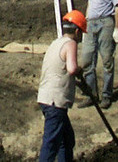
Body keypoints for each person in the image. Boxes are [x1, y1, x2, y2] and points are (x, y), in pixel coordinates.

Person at [37, 10, 86, 161]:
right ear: (77, 31)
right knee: (51, 145)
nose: (81, 37)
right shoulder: (70, 44)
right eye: (81, 33)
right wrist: (80, 70)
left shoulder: (55, 43)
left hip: (45, 97)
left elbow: (59, 70)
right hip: (55, 102)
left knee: (66, 140)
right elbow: (71, 68)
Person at [77, 0, 118, 110]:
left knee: (107, 60)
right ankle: (92, 94)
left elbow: (117, 6)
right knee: (87, 60)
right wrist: (85, 22)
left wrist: (117, 28)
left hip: (106, 23)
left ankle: (106, 95)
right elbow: (89, 4)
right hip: (91, 23)